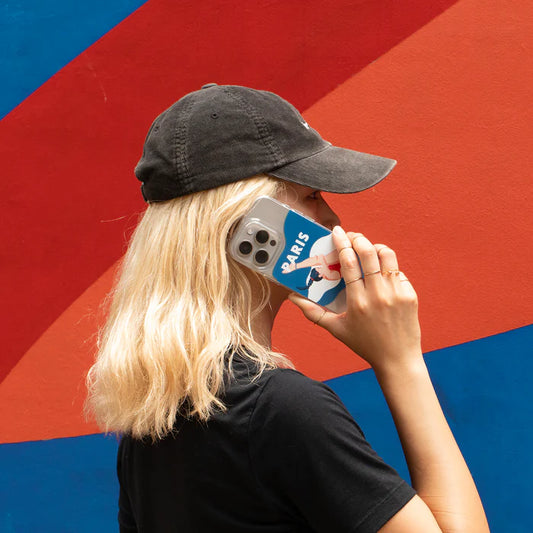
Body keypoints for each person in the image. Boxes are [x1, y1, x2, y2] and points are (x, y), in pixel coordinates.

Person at [86, 84, 490, 532]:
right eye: (312, 196)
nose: (333, 219)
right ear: (247, 221)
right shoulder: (281, 410)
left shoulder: (153, 419)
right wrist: (401, 360)